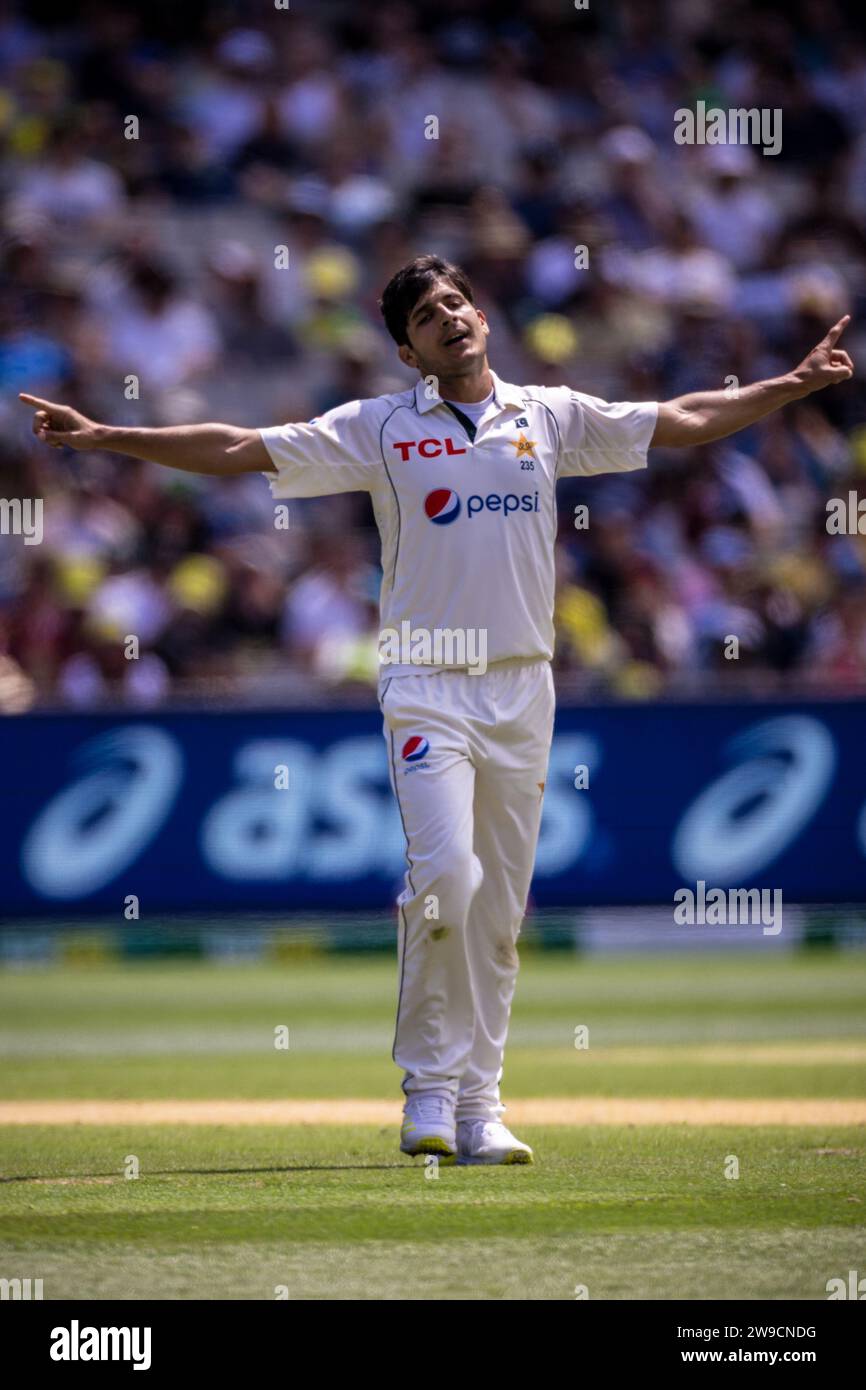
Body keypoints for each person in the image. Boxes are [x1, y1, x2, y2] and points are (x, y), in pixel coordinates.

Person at [20, 254, 854, 1165]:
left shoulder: (549, 414)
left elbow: (684, 420)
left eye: (456, 302)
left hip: (523, 684)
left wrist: (791, 385)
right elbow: (237, 447)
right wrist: (105, 436)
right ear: (409, 352)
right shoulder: (380, 429)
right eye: (426, 316)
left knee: (499, 910)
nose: (449, 318)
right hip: (425, 681)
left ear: (482, 316)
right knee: (445, 879)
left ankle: (480, 1108)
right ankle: (426, 1089)